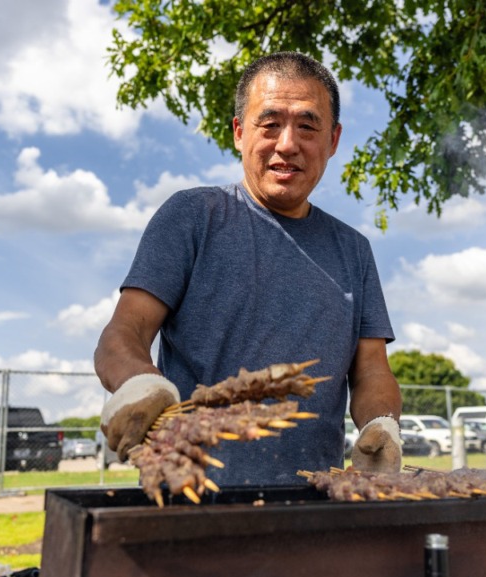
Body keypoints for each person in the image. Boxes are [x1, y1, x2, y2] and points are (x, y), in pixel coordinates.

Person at [94, 51, 402, 486]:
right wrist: (137, 384)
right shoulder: (192, 217)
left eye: (308, 126)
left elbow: (372, 369)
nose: (288, 144)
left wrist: (380, 426)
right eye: (270, 124)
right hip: (190, 500)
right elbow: (123, 333)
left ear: (333, 141)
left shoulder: (354, 250)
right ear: (240, 132)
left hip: (316, 509)